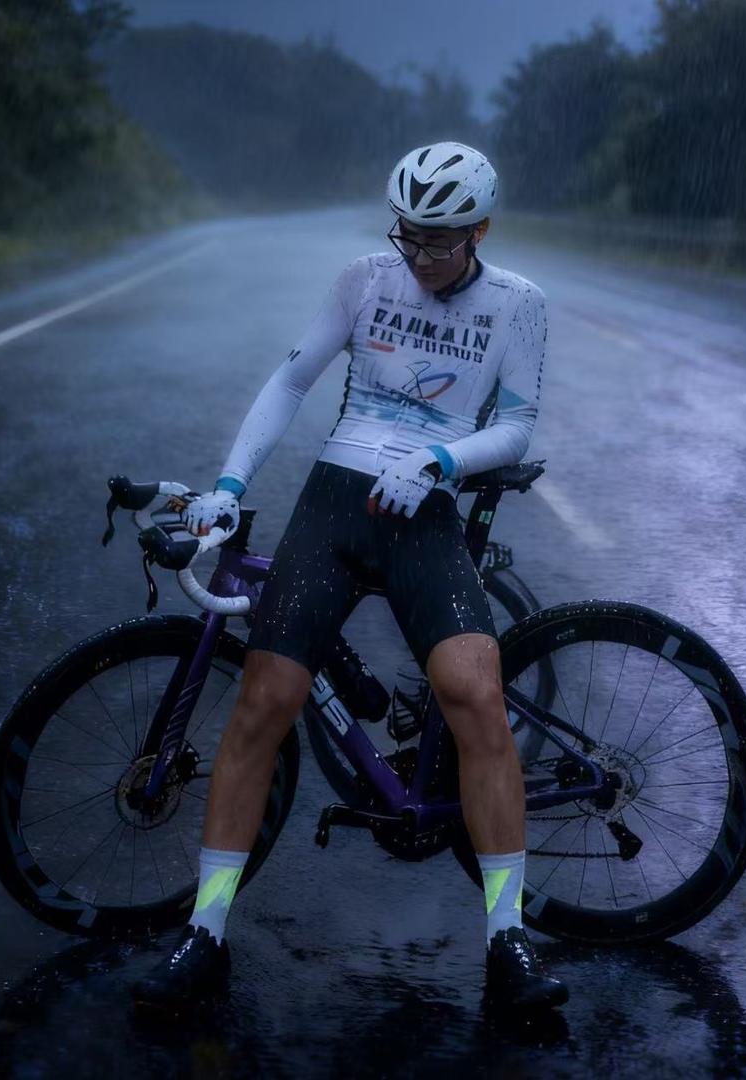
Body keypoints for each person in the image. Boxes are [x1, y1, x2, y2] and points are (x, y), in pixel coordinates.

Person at [131, 141, 566, 1013]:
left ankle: (507, 940)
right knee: (261, 705)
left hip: (426, 508)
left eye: (440, 241)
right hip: (335, 501)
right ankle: (205, 932)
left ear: (479, 229)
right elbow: (291, 381)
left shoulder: (519, 304)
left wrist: (442, 459)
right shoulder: (364, 279)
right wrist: (227, 487)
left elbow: (516, 426)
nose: (421, 255)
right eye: (408, 236)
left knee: (474, 693)